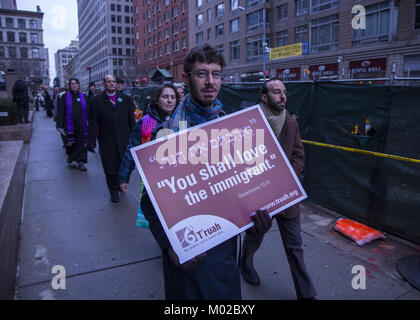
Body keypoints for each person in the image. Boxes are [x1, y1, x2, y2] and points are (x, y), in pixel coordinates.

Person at [140, 45, 272, 300]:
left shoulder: (234, 128)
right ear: (187, 79)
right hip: (186, 259)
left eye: (217, 74)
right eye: (202, 74)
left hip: (224, 257)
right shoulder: (167, 132)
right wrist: (170, 246)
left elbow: (243, 190)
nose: (211, 81)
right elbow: (149, 203)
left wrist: (256, 222)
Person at [240, 78, 317, 300]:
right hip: (260, 196)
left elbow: (298, 155)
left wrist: (285, 177)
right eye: (276, 92)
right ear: (264, 97)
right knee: (255, 236)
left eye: (284, 92)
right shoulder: (249, 124)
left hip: (286, 194)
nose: (283, 96)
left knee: (295, 245)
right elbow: (240, 160)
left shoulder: (291, 123)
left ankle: (307, 294)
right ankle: (245, 264)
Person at [118, 84, 179, 192]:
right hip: (152, 178)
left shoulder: (182, 120)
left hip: (179, 178)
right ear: (156, 100)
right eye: (165, 97)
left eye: (173, 97)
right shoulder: (146, 122)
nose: (170, 101)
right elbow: (132, 150)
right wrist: (124, 177)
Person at [90, 74, 135, 203]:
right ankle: (113, 192)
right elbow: (93, 123)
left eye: (113, 81)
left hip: (124, 139)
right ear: (103, 84)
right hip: (107, 141)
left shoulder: (125, 99)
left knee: (125, 165)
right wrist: (92, 142)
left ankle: (122, 184)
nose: (111, 84)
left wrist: (135, 136)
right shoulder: (97, 101)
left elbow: (131, 120)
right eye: (108, 82)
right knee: (110, 168)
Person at [56, 78, 95, 171]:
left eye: (76, 83)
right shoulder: (64, 97)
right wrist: (59, 124)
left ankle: (81, 162)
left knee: (81, 144)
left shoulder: (84, 97)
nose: (74, 85)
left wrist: (91, 122)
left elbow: (90, 110)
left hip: (82, 125)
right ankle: (71, 156)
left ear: (79, 85)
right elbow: (60, 111)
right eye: (72, 84)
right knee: (71, 144)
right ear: (69, 86)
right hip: (69, 125)